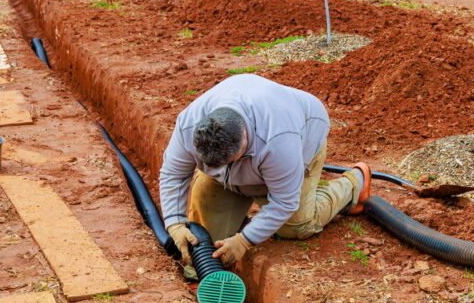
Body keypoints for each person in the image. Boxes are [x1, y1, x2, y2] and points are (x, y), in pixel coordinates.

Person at [159, 74, 371, 269]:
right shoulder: (188, 124)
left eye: (227, 163)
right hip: (246, 165)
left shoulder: (278, 141)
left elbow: (284, 202)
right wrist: (175, 223)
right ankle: (235, 208)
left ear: (243, 140)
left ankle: (353, 184)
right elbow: (173, 174)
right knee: (209, 239)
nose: (221, 169)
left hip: (304, 138)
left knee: (296, 226)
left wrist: (244, 240)